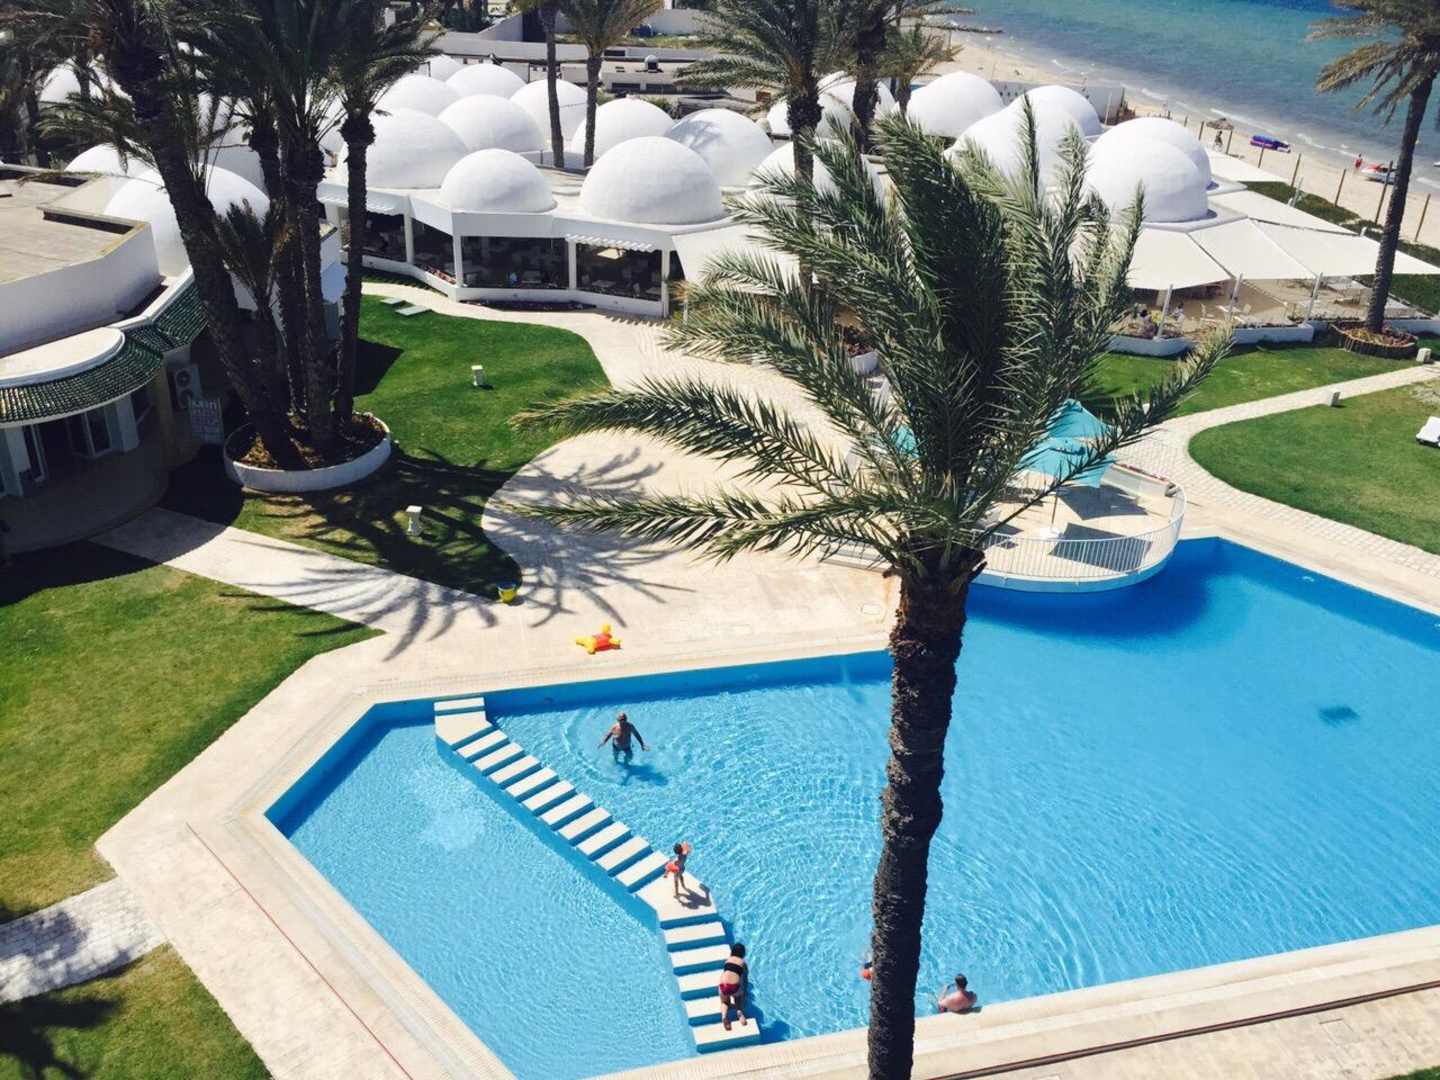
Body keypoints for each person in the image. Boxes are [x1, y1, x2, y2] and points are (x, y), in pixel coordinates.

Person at [718, 943, 748, 1030]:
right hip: (734, 987)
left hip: (723, 986)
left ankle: (724, 1016)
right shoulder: (743, 963)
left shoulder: (727, 961)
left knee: (725, 1002)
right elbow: (745, 979)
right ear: (743, 953)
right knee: (738, 998)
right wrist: (744, 992)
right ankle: (739, 1011)